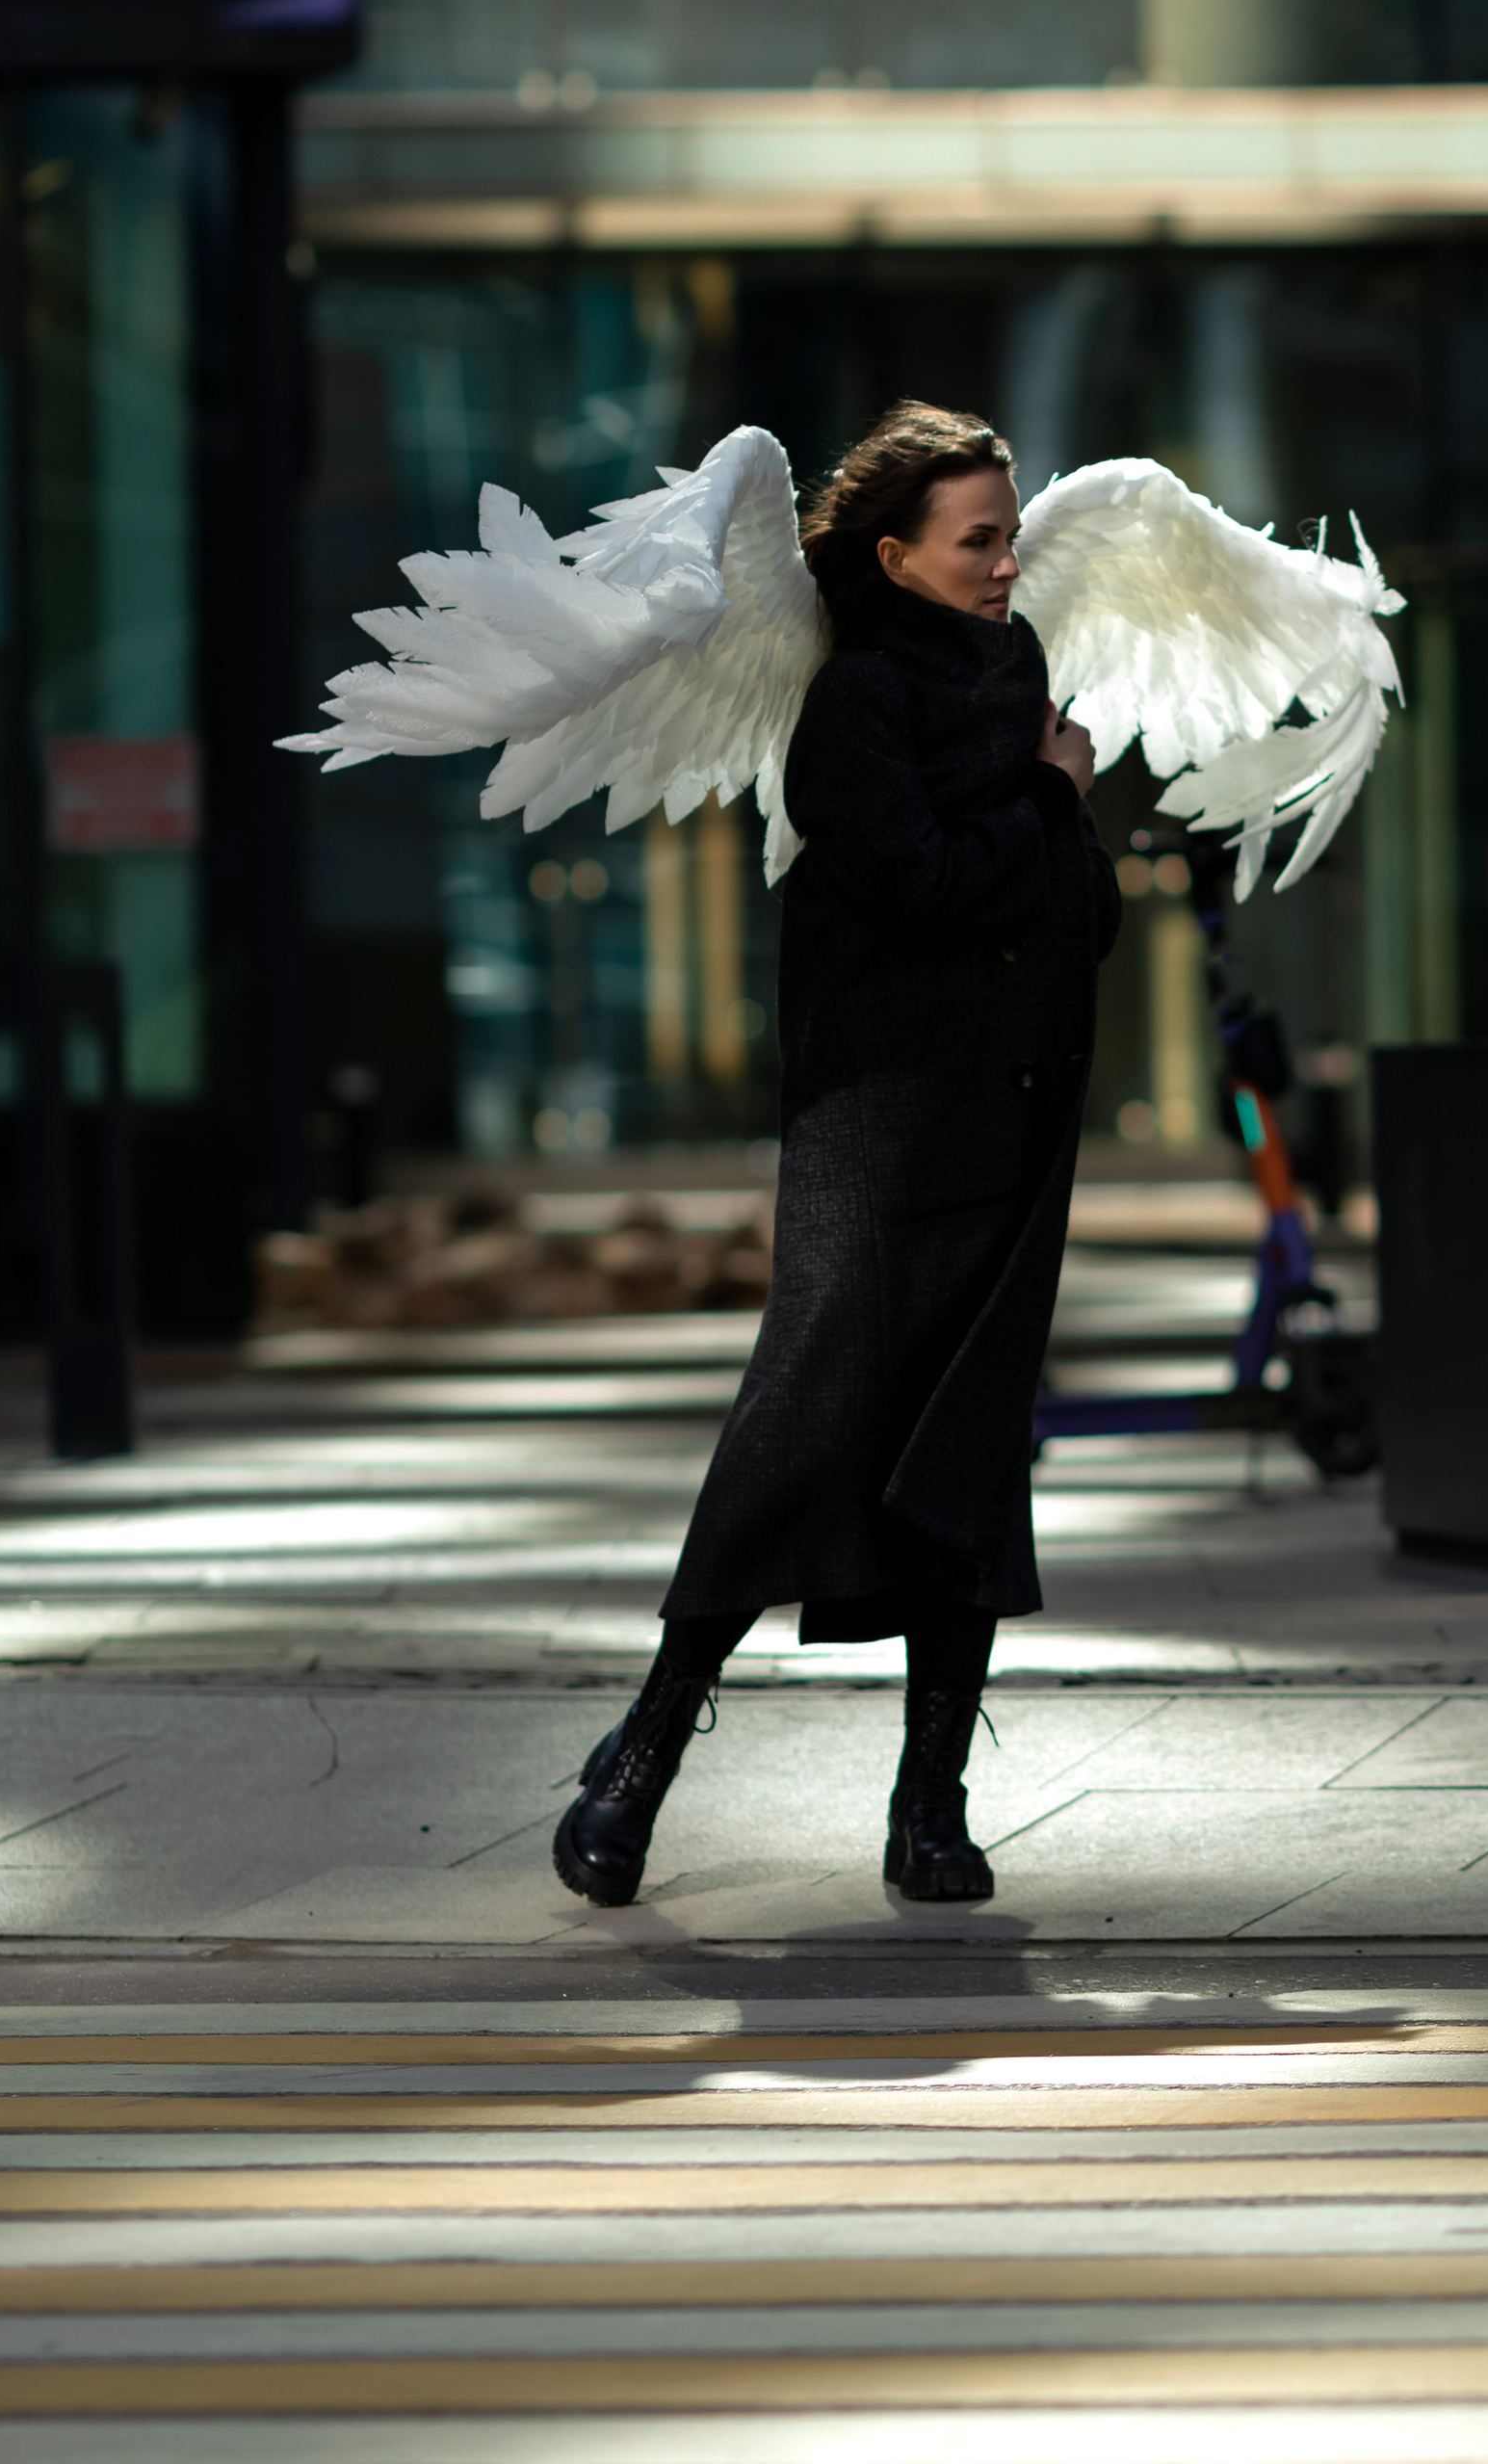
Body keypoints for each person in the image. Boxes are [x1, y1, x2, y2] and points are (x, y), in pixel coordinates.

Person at [553, 401, 1119, 1910]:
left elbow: (1073, 910)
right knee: (794, 1437)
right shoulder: (857, 704)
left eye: (1011, 535)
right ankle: (639, 1760)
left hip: (1011, 1122)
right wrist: (1054, 798)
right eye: (979, 540)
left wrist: (1060, 832)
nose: (1008, 563)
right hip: (881, 1135)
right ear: (895, 555)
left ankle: (929, 1808)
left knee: (970, 1462)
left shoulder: (1022, 676)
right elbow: (926, 886)